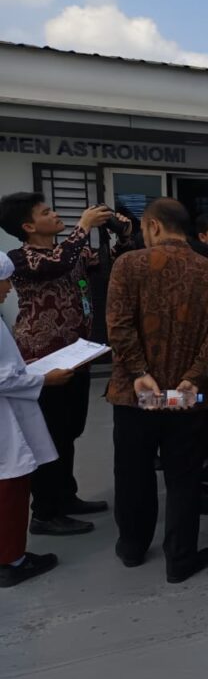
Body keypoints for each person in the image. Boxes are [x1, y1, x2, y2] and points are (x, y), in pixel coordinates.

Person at [106, 198, 208, 583]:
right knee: (183, 476)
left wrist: (139, 372)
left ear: (154, 226)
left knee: (133, 472)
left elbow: (118, 325)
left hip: (136, 393)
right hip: (186, 394)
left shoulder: (128, 265)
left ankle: (132, 546)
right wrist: (195, 376)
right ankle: (180, 558)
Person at [0, 191, 133, 536]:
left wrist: (122, 236)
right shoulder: (21, 258)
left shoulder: (73, 251)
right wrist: (83, 226)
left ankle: (65, 496)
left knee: (69, 431)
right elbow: (57, 264)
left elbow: (109, 269)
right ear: (28, 226)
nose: (55, 214)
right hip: (44, 364)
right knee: (50, 435)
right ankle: (45, 512)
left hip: (77, 356)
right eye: (46, 212)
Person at [0, 251, 71, 588]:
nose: (9, 288)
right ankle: (11, 560)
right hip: (6, 417)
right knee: (10, 486)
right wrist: (43, 379)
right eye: (4, 281)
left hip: (9, 409)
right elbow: (3, 378)